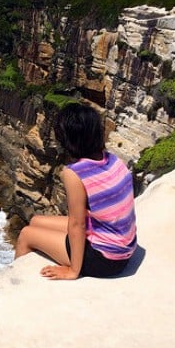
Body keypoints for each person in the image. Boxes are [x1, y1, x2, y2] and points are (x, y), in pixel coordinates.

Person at [14, 103, 137, 279]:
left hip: (106, 261)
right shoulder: (113, 160)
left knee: (26, 234)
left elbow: (77, 224)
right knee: (35, 220)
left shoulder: (74, 173)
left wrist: (73, 271)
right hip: (124, 247)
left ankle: (19, 288)